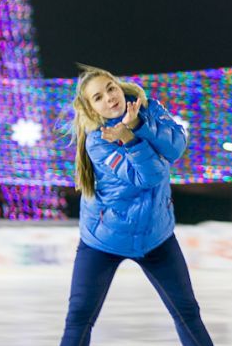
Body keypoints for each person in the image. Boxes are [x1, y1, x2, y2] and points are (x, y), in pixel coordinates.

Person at [60, 65, 213, 346]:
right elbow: (149, 177)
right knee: (79, 318)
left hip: (156, 236)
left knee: (187, 312)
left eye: (110, 88)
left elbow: (177, 146)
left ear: (119, 87)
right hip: (103, 241)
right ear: (92, 109)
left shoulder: (149, 109)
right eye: (98, 97)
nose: (108, 97)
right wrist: (129, 138)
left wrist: (139, 125)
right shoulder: (98, 142)